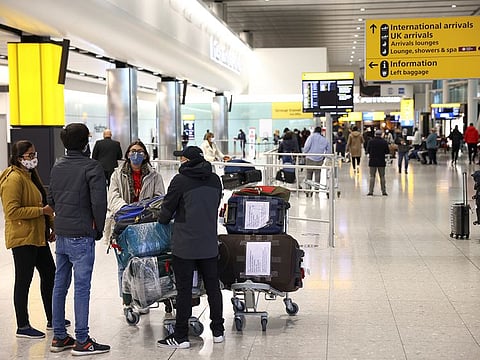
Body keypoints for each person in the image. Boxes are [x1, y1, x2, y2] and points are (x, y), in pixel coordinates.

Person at [48, 123, 110, 355]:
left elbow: (51, 198)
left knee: (59, 285)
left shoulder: (57, 165)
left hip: (62, 233)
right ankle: (82, 340)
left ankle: (59, 337)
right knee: (82, 288)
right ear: (85, 142)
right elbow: (99, 203)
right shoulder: (91, 167)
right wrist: (99, 228)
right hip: (81, 235)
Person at [156, 146, 224, 349]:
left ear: (186, 160)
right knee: (213, 288)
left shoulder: (180, 181)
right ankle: (218, 331)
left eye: (182, 158)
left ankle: (181, 336)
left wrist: (164, 216)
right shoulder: (215, 180)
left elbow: (165, 214)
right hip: (210, 244)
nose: (180, 161)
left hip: (185, 246)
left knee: (184, 290)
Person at [0, 140, 60, 339]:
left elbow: (42, 202)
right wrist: (41, 212)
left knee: (50, 274)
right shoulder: (12, 179)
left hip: (37, 235)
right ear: (18, 158)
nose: (33, 158)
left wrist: (51, 225)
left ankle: (53, 317)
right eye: (29, 155)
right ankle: (22, 325)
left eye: (34, 154)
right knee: (24, 280)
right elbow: (12, 211)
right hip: (23, 237)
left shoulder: (29, 175)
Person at [104, 140, 165, 311]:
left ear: (145, 155)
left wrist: (143, 211)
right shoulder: (117, 174)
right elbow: (113, 197)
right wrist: (128, 210)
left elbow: (160, 198)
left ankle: (143, 299)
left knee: (144, 262)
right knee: (123, 265)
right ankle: (127, 301)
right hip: (123, 224)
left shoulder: (154, 176)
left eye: (139, 151)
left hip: (146, 226)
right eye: (132, 151)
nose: (135, 154)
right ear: (127, 154)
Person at [303, 126, 330, 197]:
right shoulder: (324, 139)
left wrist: (304, 153)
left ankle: (308, 189)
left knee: (309, 174)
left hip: (310, 158)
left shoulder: (311, 137)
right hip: (319, 159)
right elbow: (328, 150)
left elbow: (306, 147)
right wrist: (324, 157)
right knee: (318, 174)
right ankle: (316, 189)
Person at [366, 129, 390, 196]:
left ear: (375, 134)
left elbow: (367, 150)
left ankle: (370, 191)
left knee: (372, 176)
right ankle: (384, 191)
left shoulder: (371, 141)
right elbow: (387, 151)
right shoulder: (384, 142)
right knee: (382, 176)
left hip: (372, 161)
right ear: (381, 134)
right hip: (381, 161)